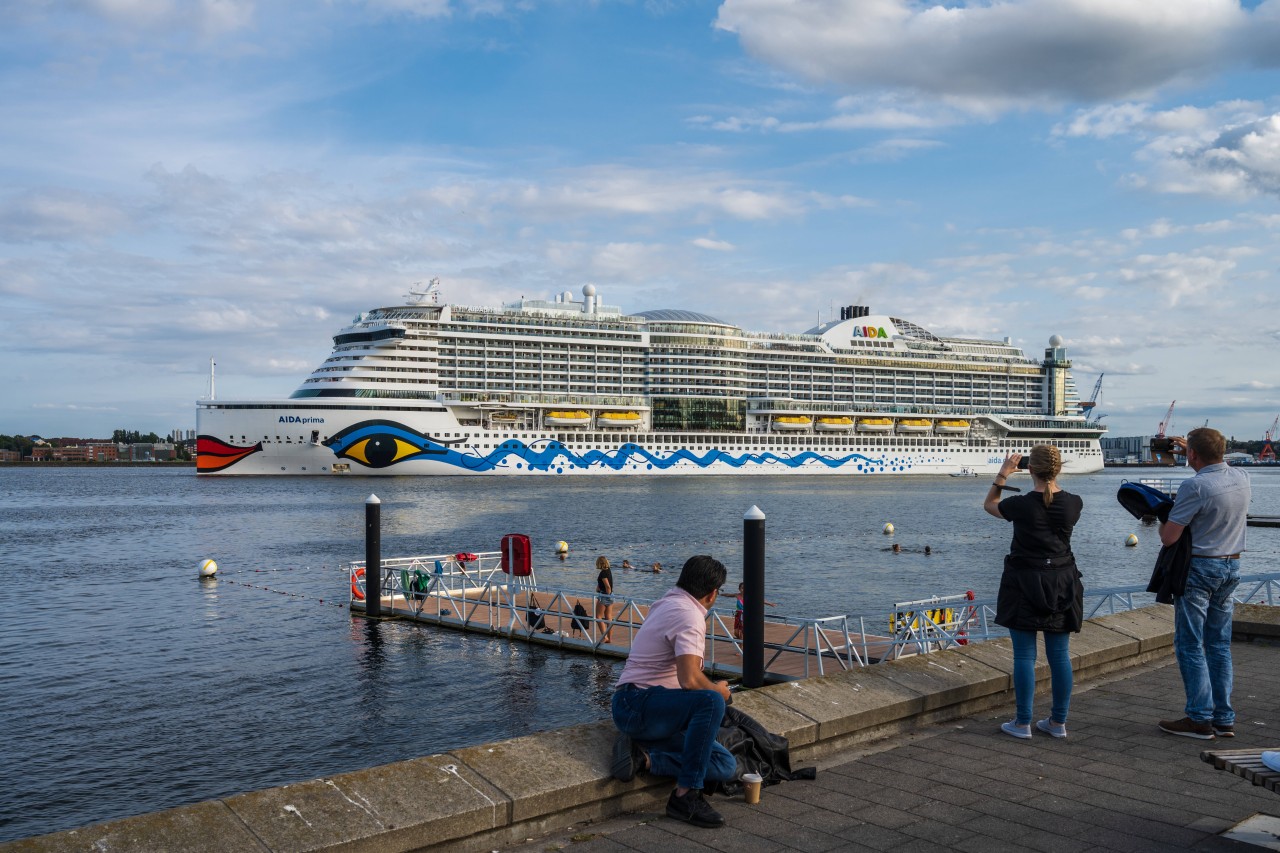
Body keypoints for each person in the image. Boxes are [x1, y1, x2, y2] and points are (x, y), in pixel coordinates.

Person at [609, 555, 736, 829]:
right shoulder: (690, 615)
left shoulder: (669, 601)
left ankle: (642, 758)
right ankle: (685, 796)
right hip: (637, 703)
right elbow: (689, 680)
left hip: (645, 706)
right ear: (713, 593)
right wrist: (719, 691)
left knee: (725, 765)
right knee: (712, 701)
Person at [984, 445, 1084, 740]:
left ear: (1029, 469)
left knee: (1025, 655)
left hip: (1024, 580)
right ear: (1059, 468)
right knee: (1060, 655)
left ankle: (1022, 722)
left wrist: (1002, 475)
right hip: (1062, 581)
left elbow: (990, 505)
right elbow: (1053, 505)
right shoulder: (1074, 503)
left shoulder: (1021, 504)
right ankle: (1057, 722)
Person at [1157, 428, 1251, 739]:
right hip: (1231, 566)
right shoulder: (1241, 477)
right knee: (1219, 645)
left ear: (1192, 454)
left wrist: (1161, 518)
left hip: (1199, 568)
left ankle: (1198, 717)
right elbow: (1212, 460)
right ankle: (1223, 718)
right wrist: (1194, 450)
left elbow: (1170, 537)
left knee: (1189, 644)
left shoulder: (1194, 486)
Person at [595, 556, 615, 644]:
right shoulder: (608, 570)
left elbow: (607, 586)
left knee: (598, 617)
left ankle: (605, 637)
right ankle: (610, 639)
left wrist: (607, 594)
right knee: (609, 618)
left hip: (604, 596)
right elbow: (605, 584)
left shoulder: (603, 573)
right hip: (611, 596)